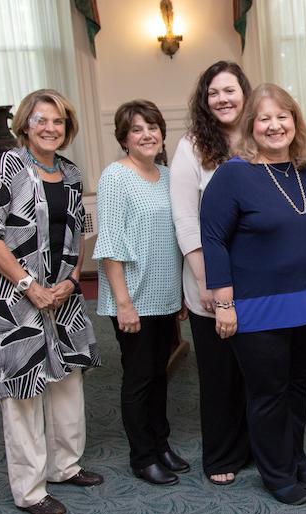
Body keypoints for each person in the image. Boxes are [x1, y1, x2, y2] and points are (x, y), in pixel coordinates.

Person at [0, 89, 102, 514]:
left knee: (67, 381)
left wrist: (69, 279)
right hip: (12, 297)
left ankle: (65, 466)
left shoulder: (70, 172)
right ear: (25, 124)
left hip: (61, 296)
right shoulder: (6, 167)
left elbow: (77, 232)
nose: (50, 128)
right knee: (24, 389)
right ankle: (30, 490)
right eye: (41, 120)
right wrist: (30, 284)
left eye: (58, 122)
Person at [201, 83, 306, 506]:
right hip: (256, 307)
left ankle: (295, 457)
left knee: (297, 386)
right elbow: (213, 240)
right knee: (268, 393)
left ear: (295, 121)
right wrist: (223, 304)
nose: (275, 126)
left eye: (283, 116)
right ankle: (276, 473)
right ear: (251, 127)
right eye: (265, 119)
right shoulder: (233, 174)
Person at [94, 100, 188, 486]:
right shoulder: (115, 177)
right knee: (139, 379)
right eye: (137, 129)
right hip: (132, 297)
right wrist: (123, 303)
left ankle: (160, 443)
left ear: (162, 133)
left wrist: (180, 293)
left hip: (165, 295)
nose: (147, 134)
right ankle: (142, 456)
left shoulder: (167, 175)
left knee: (160, 374)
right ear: (124, 138)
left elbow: (175, 237)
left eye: (152, 126)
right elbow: (110, 245)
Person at [170, 61, 251, 485]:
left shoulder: (262, 135)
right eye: (213, 92)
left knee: (255, 369)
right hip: (209, 276)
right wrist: (207, 283)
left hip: (257, 278)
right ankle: (221, 454)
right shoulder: (192, 146)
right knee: (219, 372)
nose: (222, 99)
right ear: (205, 100)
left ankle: (256, 444)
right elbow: (186, 220)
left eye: (230, 90)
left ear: (245, 93)